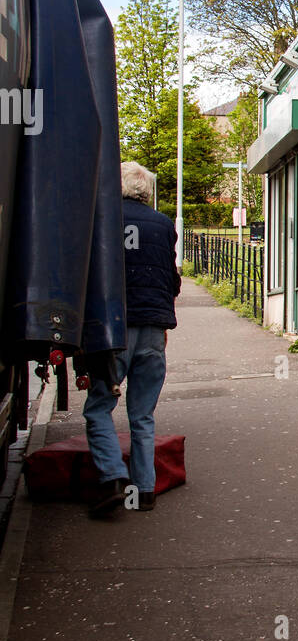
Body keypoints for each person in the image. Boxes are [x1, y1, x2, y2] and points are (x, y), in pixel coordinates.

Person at [84, 161, 180, 516]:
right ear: (147, 191)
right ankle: (145, 491)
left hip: (115, 328)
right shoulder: (164, 224)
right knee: (142, 415)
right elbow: (171, 279)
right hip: (154, 328)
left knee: (98, 407)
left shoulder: (104, 219)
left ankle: (112, 478)